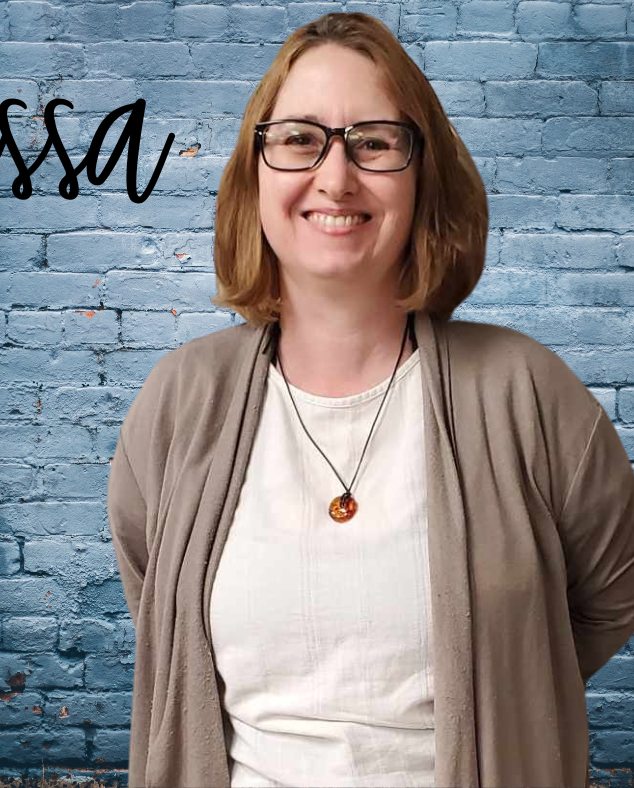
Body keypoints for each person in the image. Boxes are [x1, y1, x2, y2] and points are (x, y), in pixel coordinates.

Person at [106, 12, 634, 788]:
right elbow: (161, 611)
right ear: (256, 175)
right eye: (298, 139)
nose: (335, 176)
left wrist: (508, 679)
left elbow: (610, 601)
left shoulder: (529, 394)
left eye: (375, 141)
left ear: (424, 176)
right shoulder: (181, 401)